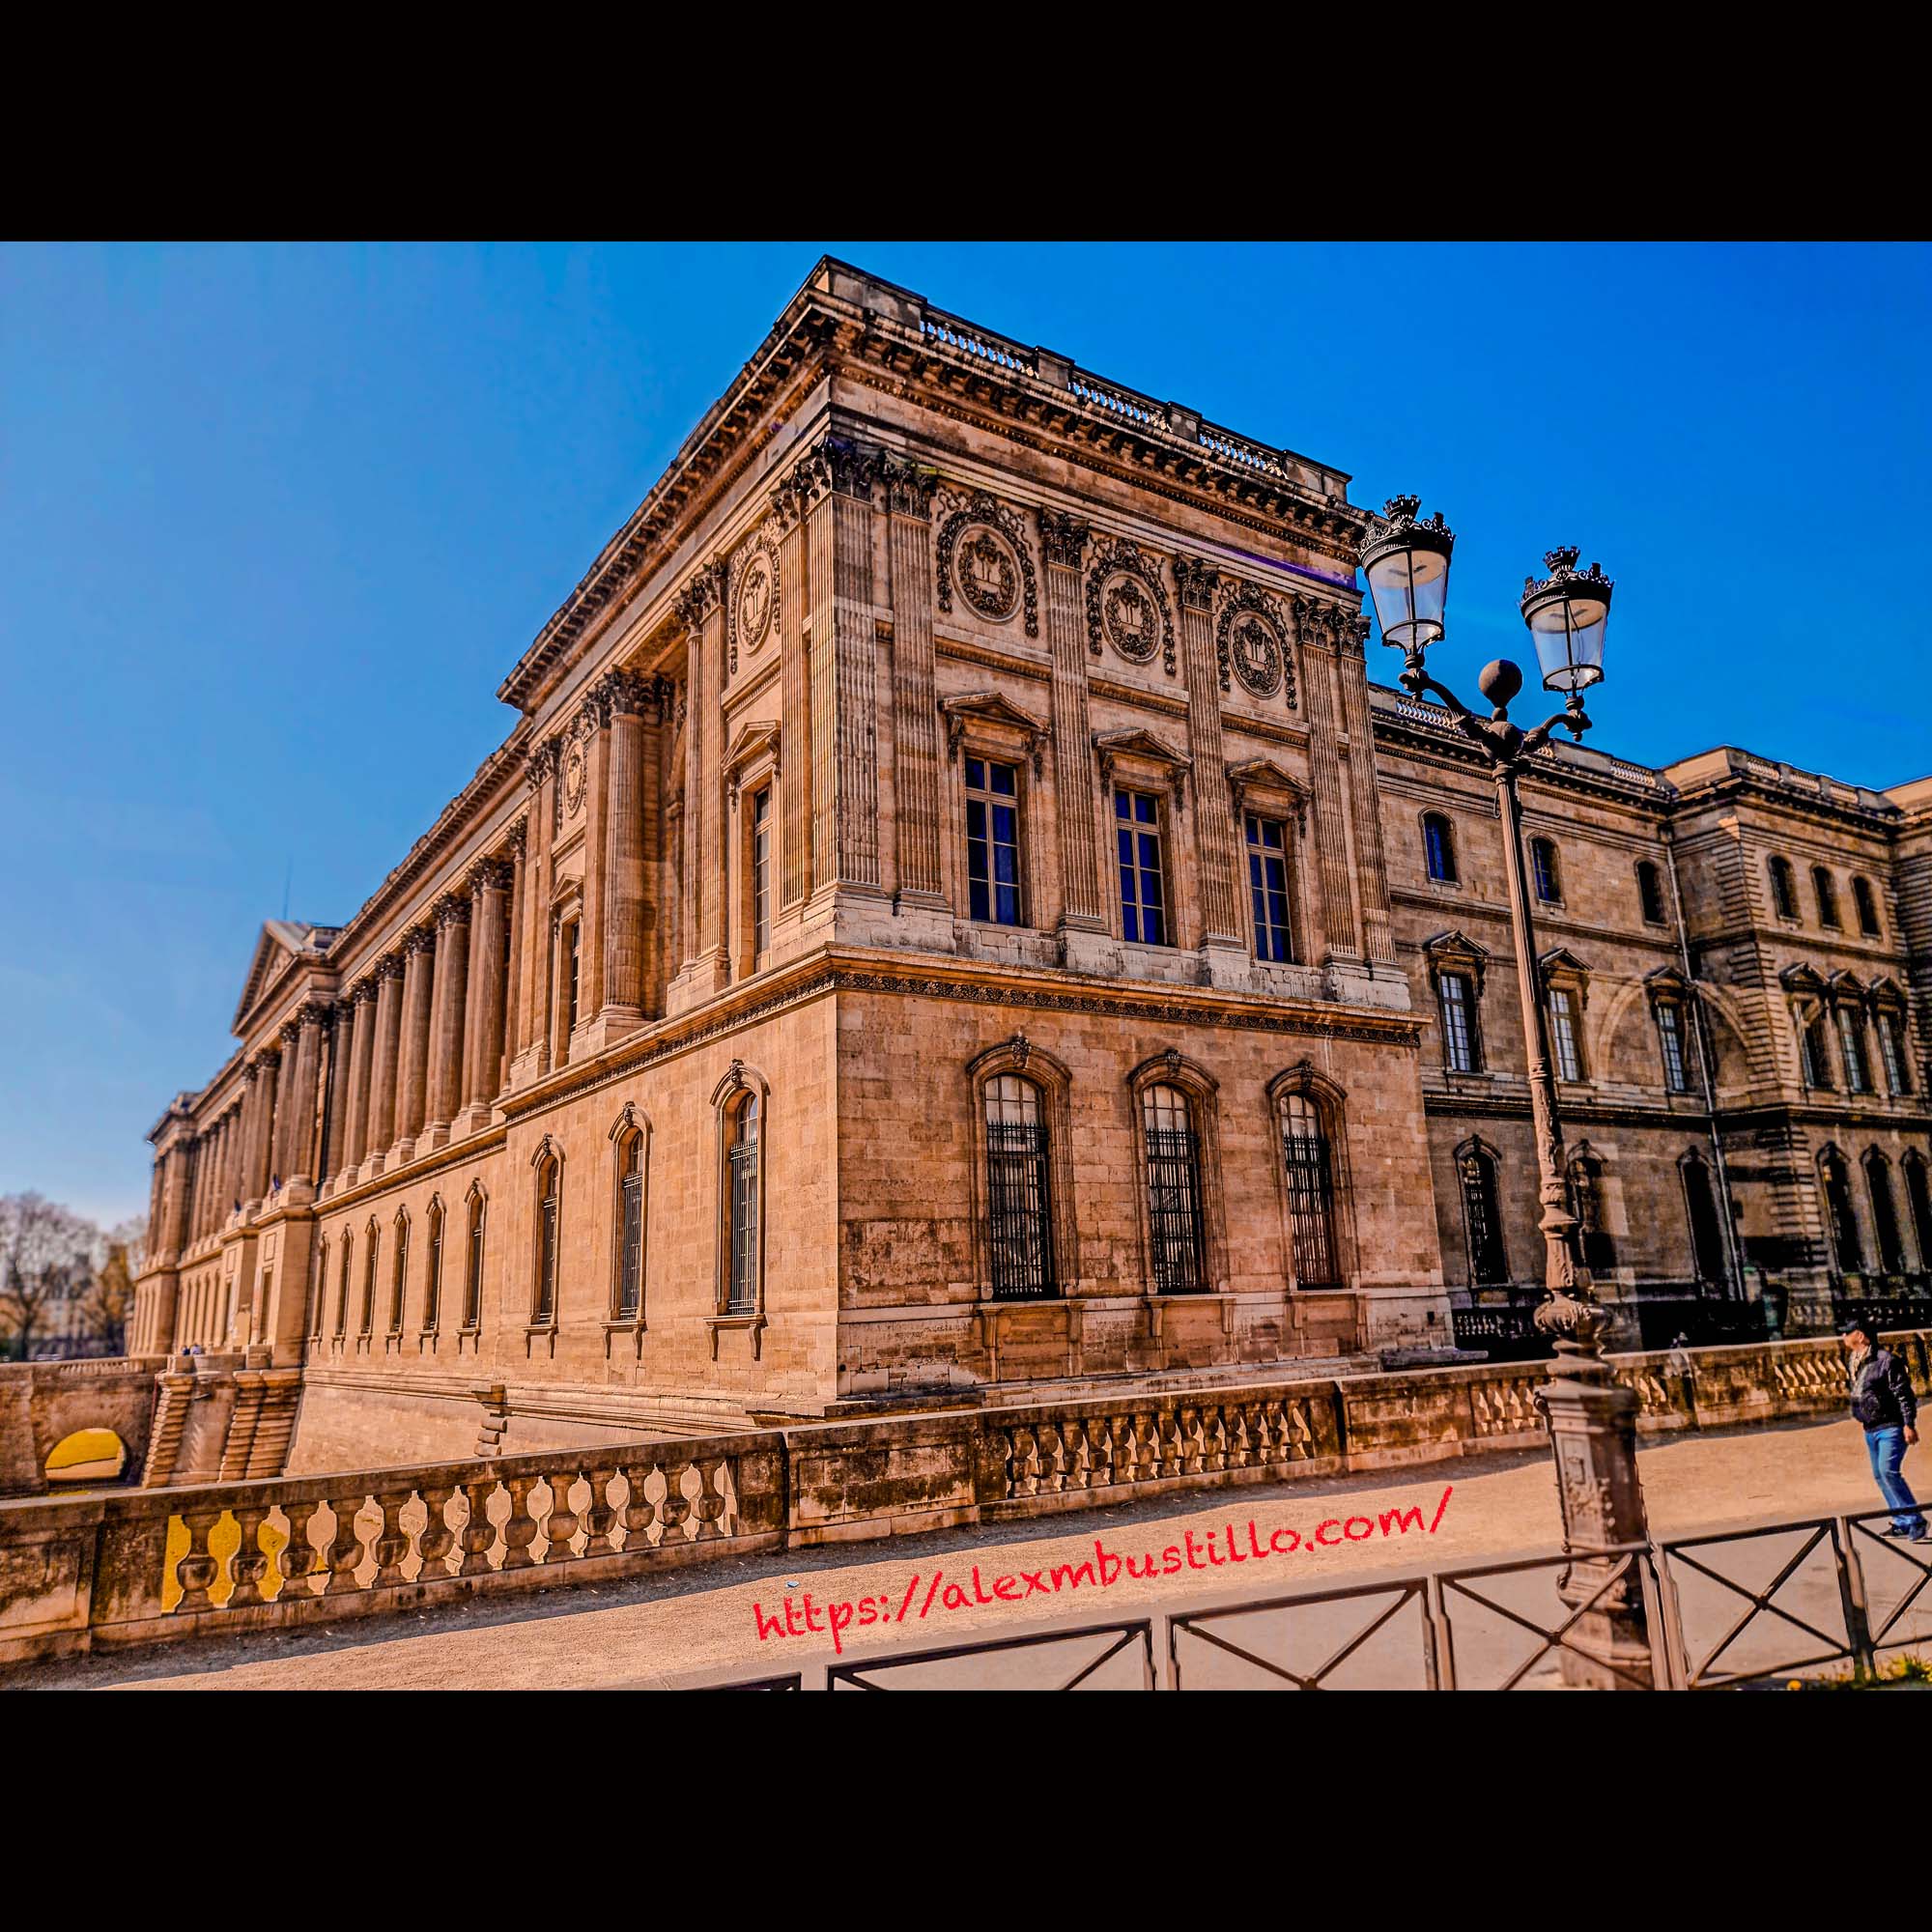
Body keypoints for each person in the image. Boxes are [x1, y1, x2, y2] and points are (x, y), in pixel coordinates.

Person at [1841, 1318, 1924, 1541]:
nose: (1843, 1337)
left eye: (1847, 1332)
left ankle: (1915, 1519)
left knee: (1888, 1472)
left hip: (1891, 1426)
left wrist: (1909, 1424)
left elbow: (1904, 1394)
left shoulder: (1886, 1361)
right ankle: (1901, 1520)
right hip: (1870, 1427)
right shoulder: (1854, 1360)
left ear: (1860, 1335)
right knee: (1880, 1475)